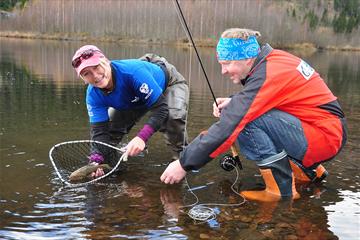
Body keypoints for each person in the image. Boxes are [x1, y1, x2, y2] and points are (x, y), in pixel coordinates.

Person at [160, 28, 347, 201]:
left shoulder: (268, 73)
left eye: (227, 63)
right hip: (327, 131)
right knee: (244, 114)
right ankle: (309, 173)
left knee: (245, 122)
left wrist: (184, 163)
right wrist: (235, 101)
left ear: (247, 59)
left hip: (325, 138)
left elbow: (228, 127)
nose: (223, 71)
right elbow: (277, 97)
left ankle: (280, 191)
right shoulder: (273, 60)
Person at [71, 45, 189, 177]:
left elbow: (161, 109)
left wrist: (141, 138)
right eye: (87, 74)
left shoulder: (133, 73)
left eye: (96, 67)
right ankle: (115, 170)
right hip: (133, 97)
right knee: (110, 131)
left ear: (106, 61)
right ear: (83, 79)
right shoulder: (93, 95)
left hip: (167, 82)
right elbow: (99, 132)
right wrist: (96, 160)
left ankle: (182, 161)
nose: (95, 76)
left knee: (173, 118)